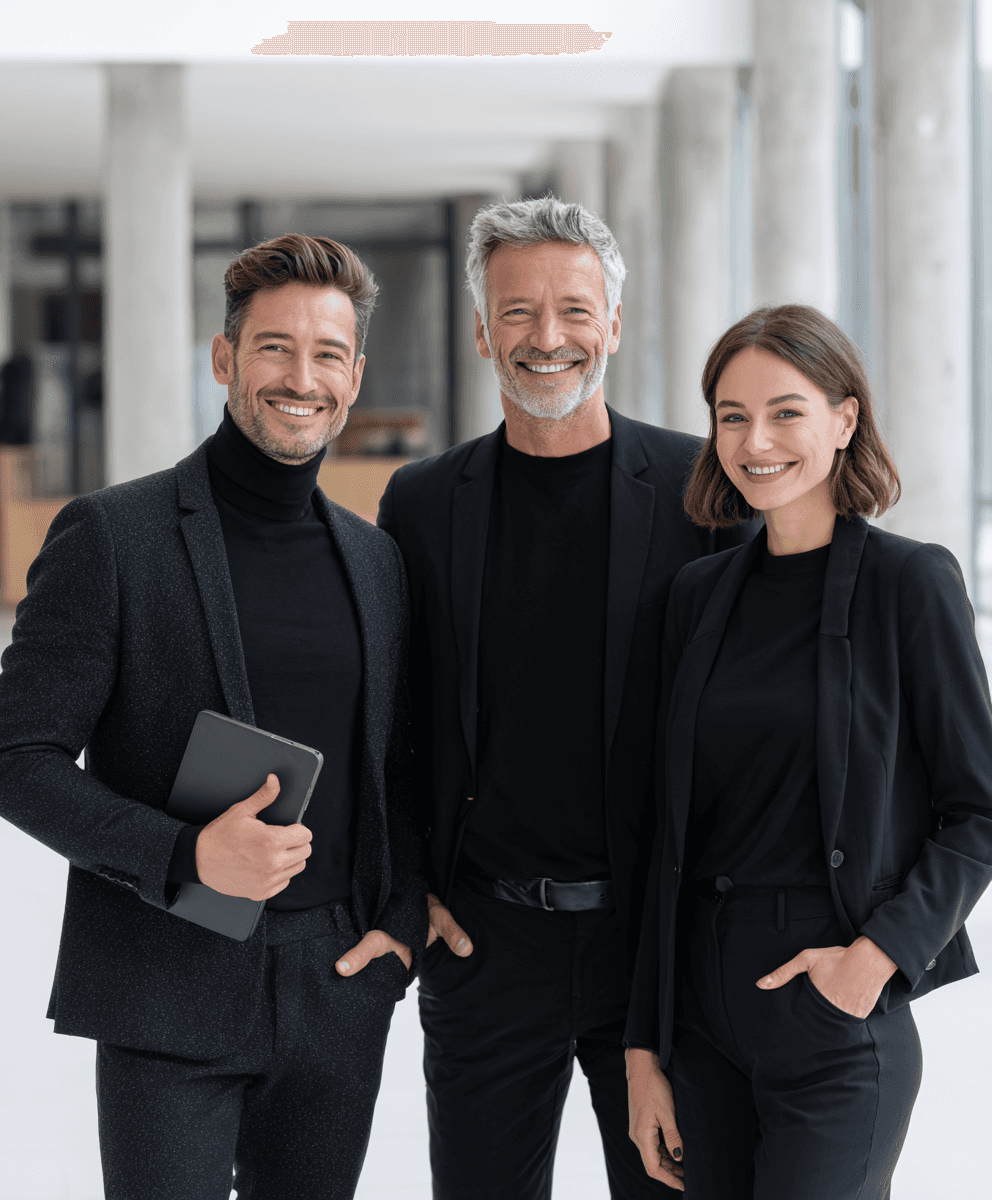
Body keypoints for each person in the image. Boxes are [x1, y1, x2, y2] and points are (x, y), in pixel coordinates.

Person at [0, 234, 427, 1200]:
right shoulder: (113, 534)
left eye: (328, 353)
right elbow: (16, 754)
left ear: (355, 376)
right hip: (165, 979)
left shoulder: (377, 562)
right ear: (225, 357)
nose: (300, 377)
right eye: (274, 347)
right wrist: (186, 857)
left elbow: (399, 763)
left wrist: (396, 927)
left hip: (335, 989)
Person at [377, 195, 750, 1200]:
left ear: (613, 325)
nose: (547, 339)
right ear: (477, 329)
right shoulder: (419, 502)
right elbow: (396, 724)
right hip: (486, 946)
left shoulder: (701, 489)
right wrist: (409, 888)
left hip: (654, 950)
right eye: (516, 312)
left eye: (574, 311)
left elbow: (755, 719)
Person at [624, 304, 992, 1199]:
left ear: (845, 418)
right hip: (702, 1016)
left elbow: (978, 808)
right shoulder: (697, 596)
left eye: (787, 411)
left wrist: (875, 960)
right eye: (732, 415)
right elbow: (659, 839)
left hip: (832, 1004)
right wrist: (643, 1051)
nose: (757, 441)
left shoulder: (912, 583)